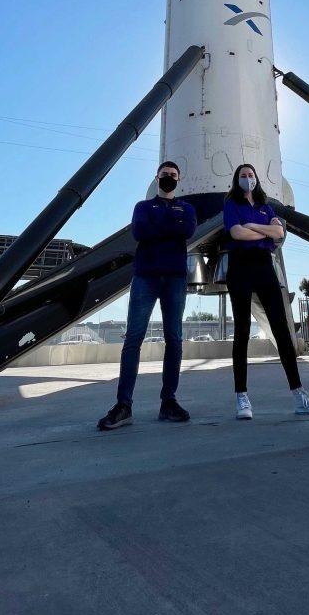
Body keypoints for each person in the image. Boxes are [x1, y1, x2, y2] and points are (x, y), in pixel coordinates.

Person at [97, 162, 197, 431]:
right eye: (165, 175)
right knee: (133, 339)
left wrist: (162, 227)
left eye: (174, 176)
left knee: (174, 339)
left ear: (179, 179)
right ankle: (123, 405)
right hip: (146, 276)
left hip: (175, 278)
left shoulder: (187, 208)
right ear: (157, 178)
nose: (169, 179)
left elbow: (187, 231)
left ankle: (169, 402)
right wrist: (170, 226)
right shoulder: (143, 207)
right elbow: (140, 231)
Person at [223, 163, 309, 419]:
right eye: (243, 176)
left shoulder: (266, 207)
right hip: (240, 268)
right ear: (237, 181)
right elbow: (236, 233)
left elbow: (279, 233)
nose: (248, 179)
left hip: (264, 268)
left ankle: (299, 395)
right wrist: (265, 231)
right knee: (243, 332)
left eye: (251, 175)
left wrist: (253, 226)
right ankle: (242, 398)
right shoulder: (231, 205)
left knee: (281, 329)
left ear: (257, 179)